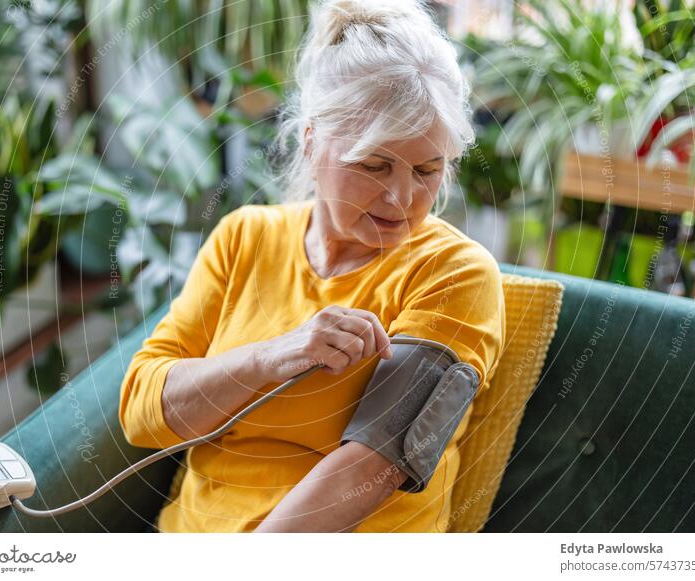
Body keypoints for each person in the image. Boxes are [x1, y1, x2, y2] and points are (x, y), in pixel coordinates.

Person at [119, 0, 506, 533]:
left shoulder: (455, 272)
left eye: (427, 169)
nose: (401, 197)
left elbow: (381, 460)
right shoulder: (244, 237)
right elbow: (143, 411)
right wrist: (269, 357)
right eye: (373, 165)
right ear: (311, 140)